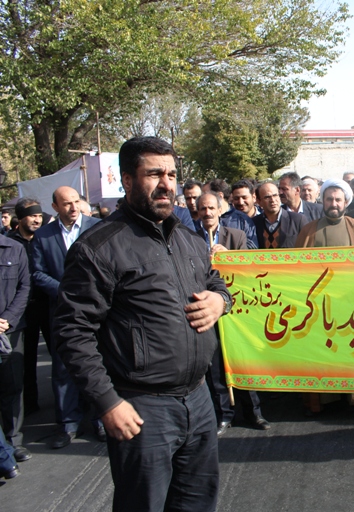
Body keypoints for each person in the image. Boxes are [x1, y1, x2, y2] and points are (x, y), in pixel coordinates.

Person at [53, 136, 231, 511]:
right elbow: (72, 332)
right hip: (141, 409)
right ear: (128, 181)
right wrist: (106, 402)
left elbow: (212, 280)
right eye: (154, 174)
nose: (167, 183)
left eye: (171, 174)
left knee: (198, 503)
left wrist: (220, 300)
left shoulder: (188, 239)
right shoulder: (98, 247)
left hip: (199, 402)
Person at [295, 179, 354, 414]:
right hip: (320, 307)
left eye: (338, 199)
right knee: (324, 354)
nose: (333, 204)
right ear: (322, 201)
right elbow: (298, 269)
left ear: (346, 202)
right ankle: (326, 399)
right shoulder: (308, 231)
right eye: (329, 199)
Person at [31, 186, 102, 449]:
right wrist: (64, 292)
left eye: (76, 202)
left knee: (99, 363)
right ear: (55, 208)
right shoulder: (44, 236)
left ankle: (100, 419)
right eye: (66, 204)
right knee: (63, 368)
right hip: (62, 310)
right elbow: (37, 273)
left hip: (97, 310)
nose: (73, 208)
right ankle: (68, 424)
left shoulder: (96, 227)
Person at [195, 193, 270, 435]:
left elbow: (250, 269)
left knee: (244, 361)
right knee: (215, 365)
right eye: (202, 209)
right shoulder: (189, 239)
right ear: (197, 212)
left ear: (220, 210)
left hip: (238, 309)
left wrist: (229, 256)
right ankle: (224, 415)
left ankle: (254, 413)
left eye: (211, 208)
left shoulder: (235, 236)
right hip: (209, 308)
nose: (207, 213)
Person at [7, 198, 46, 415]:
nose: (37, 220)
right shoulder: (10, 244)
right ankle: (30, 403)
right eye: (32, 216)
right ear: (21, 219)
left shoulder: (45, 239)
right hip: (24, 308)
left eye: (39, 216)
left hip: (47, 304)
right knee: (26, 358)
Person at [0, 228, 30, 463]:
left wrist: (8, 319)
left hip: (10, 330)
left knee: (12, 386)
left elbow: (24, 287)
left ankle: (13, 440)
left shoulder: (14, 248)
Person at [253, 181, 308, 249]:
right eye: (267, 197)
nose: (273, 200)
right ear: (259, 202)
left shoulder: (297, 220)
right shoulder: (254, 223)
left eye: (275, 195)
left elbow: (308, 247)